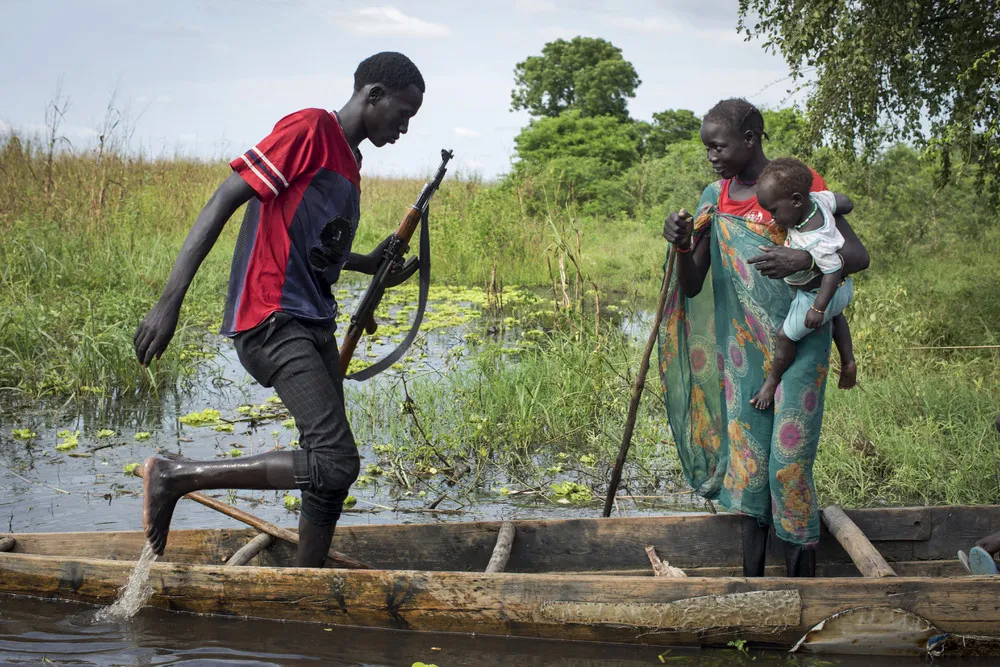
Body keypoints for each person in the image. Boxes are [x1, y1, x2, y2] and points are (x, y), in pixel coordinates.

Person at [132, 52, 425, 566]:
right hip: (272, 317)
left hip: (312, 319)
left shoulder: (350, 162)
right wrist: (167, 303)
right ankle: (174, 477)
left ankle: (304, 583)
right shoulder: (310, 128)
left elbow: (314, 248)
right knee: (334, 458)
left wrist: (365, 264)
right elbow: (224, 199)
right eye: (402, 113)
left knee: (331, 472)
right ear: (373, 95)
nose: (404, 127)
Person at [658, 98, 870, 577]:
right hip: (742, 354)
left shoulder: (798, 186)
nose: (711, 155)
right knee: (750, 469)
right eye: (706, 147)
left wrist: (806, 261)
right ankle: (753, 585)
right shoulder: (713, 198)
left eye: (719, 145)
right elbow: (692, 284)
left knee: (789, 464)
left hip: (801, 344)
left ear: (750, 139)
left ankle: (803, 585)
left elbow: (857, 255)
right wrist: (681, 241)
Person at [748, 157, 858, 410]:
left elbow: (833, 271)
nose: (772, 218)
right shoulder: (818, 201)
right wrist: (842, 205)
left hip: (817, 293)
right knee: (837, 315)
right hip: (843, 290)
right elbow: (843, 201)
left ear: (797, 200)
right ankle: (849, 360)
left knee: (784, 336)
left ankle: (771, 381)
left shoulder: (816, 238)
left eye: (774, 211)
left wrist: (817, 309)